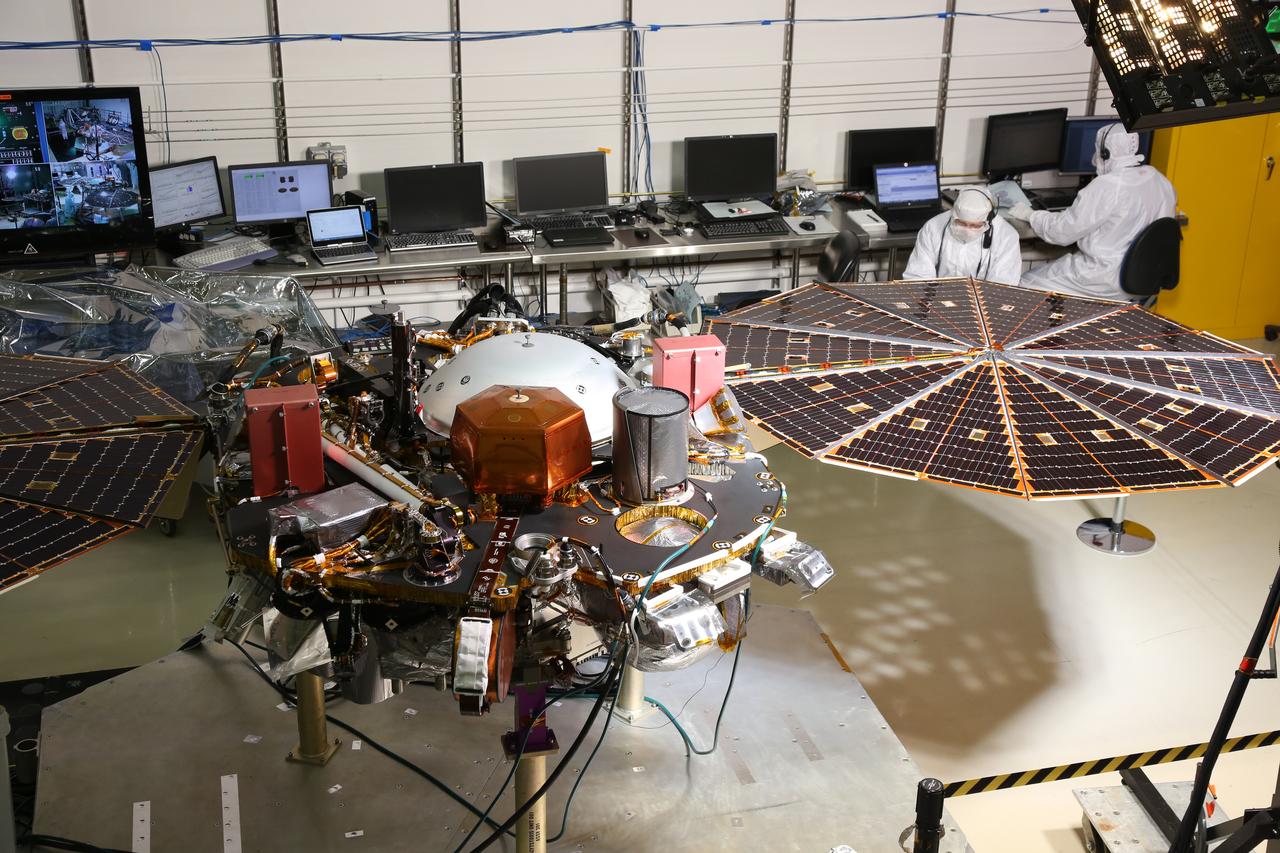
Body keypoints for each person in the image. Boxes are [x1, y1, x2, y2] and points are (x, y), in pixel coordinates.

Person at [1007, 123, 1175, 301]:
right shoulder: (1159, 179)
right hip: (1142, 280)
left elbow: (1061, 233)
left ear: (1105, 152)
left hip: (1100, 278)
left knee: (1023, 284)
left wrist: (1031, 215)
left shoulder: (1107, 186)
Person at [902, 187, 1022, 284]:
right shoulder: (933, 227)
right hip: (936, 300)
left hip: (982, 304)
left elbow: (1003, 285)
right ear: (953, 215)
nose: (968, 230)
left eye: (975, 226)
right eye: (961, 223)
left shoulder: (1007, 236)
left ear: (989, 219)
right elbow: (917, 276)